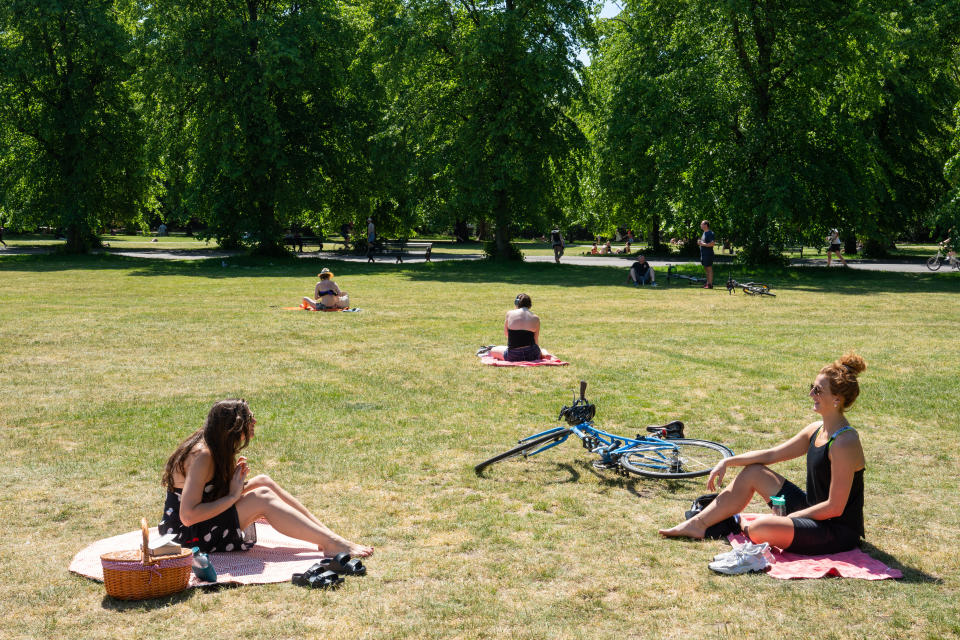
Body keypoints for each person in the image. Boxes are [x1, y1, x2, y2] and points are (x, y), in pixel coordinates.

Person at [659, 353, 868, 556]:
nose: (811, 394)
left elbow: (834, 507)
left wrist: (791, 518)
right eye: (812, 387)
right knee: (754, 472)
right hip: (813, 512)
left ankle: (740, 524)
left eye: (818, 390)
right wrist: (727, 462)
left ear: (837, 399)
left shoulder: (844, 443)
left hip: (835, 530)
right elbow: (771, 455)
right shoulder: (816, 429)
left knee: (761, 528)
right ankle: (698, 524)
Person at [160, 399, 372, 556]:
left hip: (200, 525)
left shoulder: (215, 444)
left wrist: (232, 486)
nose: (255, 421)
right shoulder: (204, 455)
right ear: (234, 426)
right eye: (250, 418)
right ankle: (331, 542)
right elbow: (187, 516)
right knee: (261, 498)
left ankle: (326, 537)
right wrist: (233, 496)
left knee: (263, 481)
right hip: (187, 537)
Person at [485, 294, 552, 362]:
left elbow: (506, 334)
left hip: (513, 355)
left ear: (516, 303)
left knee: (494, 350)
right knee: (541, 349)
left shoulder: (510, 313)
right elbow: (536, 340)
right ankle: (545, 353)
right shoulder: (536, 318)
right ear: (529, 304)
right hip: (532, 355)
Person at [697, 220, 715, 288]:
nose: (700, 225)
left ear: (706, 225)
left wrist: (703, 244)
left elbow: (712, 243)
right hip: (703, 254)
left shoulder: (710, 233)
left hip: (708, 254)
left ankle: (710, 284)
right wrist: (700, 242)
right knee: (706, 268)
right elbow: (704, 242)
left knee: (709, 268)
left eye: (701, 224)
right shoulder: (704, 233)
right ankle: (708, 283)